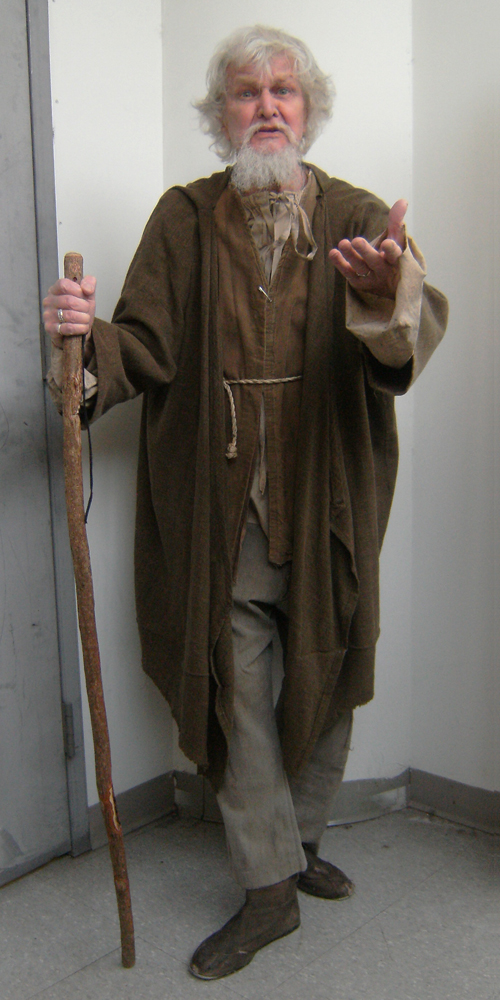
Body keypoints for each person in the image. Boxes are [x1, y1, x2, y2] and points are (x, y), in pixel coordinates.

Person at [43, 25, 448, 981]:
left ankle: (296, 840)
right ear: (220, 116)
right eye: (245, 92)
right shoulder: (184, 219)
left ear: (309, 109)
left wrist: (387, 295)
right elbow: (142, 344)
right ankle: (268, 886)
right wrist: (84, 341)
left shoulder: (357, 215)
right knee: (237, 684)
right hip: (221, 499)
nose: (266, 106)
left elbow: (411, 335)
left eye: (283, 90)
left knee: (332, 659)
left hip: (330, 490)